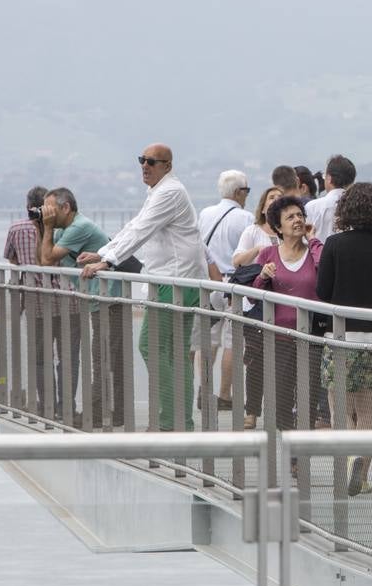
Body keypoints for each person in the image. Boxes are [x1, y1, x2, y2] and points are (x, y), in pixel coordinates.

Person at [80, 144, 208, 432]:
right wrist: (104, 253)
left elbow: (142, 229)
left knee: (150, 346)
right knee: (175, 352)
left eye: (151, 161)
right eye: (142, 160)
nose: (145, 166)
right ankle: (180, 421)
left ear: (167, 165)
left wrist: (109, 262)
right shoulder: (160, 192)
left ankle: (170, 421)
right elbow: (134, 225)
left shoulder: (170, 192)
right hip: (173, 281)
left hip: (173, 282)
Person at [315, 182, 372, 496]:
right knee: (371, 409)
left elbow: (322, 292)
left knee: (340, 406)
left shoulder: (334, 244)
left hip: (340, 335)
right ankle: (362, 467)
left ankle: (347, 466)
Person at [37, 187, 115, 424]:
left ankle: (101, 414)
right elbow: (46, 262)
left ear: (65, 207)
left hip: (109, 298)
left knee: (103, 357)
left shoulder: (79, 227)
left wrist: (47, 227)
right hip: (97, 298)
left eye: (50, 208)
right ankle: (103, 412)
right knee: (101, 356)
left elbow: (48, 258)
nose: (46, 213)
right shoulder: (65, 230)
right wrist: (46, 227)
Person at [247, 194, 323, 434]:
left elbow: (325, 274)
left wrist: (313, 240)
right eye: (290, 217)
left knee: (308, 398)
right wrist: (263, 277)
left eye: (300, 215)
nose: (297, 220)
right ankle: (288, 442)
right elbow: (253, 296)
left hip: (311, 338)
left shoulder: (314, 251)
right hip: (278, 337)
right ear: (278, 226)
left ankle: (300, 454)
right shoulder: (268, 255)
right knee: (281, 397)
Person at [195, 170, 253, 412]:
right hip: (233, 285)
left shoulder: (205, 214)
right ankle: (225, 394)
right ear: (239, 192)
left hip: (208, 283)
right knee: (232, 342)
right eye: (246, 191)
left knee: (207, 341)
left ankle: (204, 389)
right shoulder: (246, 218)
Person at [3, 185, 50, 411]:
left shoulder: (16, 228)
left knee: (39, 354)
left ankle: (44, 403)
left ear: (27, 206)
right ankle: (63, 403)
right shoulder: (58, 230)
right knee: (67, 356)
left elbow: (11, 259)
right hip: (61, 298)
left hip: (31, 298)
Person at [305, 155, 355, 241]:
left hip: (318, 253)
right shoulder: (358, 207)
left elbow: (305, 239)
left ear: (329, 178)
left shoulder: (312, 206)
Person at [232, 186, 283, 271]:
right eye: (271, 197)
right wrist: (257, 250)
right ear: (263, 209)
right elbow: (236, 262)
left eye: (280, 198)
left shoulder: (289, 232)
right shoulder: (252, 231)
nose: (276, 200)